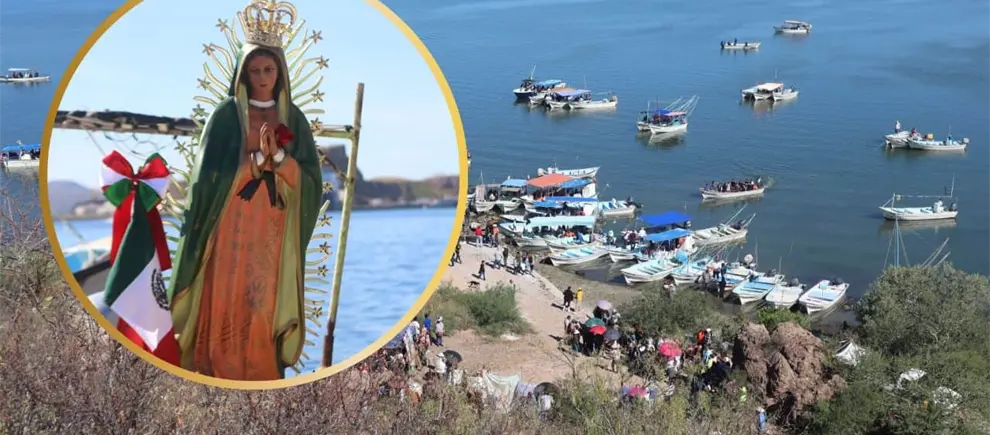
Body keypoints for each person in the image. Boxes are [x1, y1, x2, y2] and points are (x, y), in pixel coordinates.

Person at [168, 10, 323, 380]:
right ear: (243, 73)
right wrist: (255, 161)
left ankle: (261, 373)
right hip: (228, 228)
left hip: (271, 233)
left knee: (261, 303)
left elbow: (310, 182)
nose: (263, 78)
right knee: (224, 299)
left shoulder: (294, 119)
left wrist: (281, 158)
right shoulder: (225, 117)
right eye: (255, 71)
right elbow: (208, 181)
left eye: (269, 70)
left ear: (280, 72)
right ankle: (213, 370)